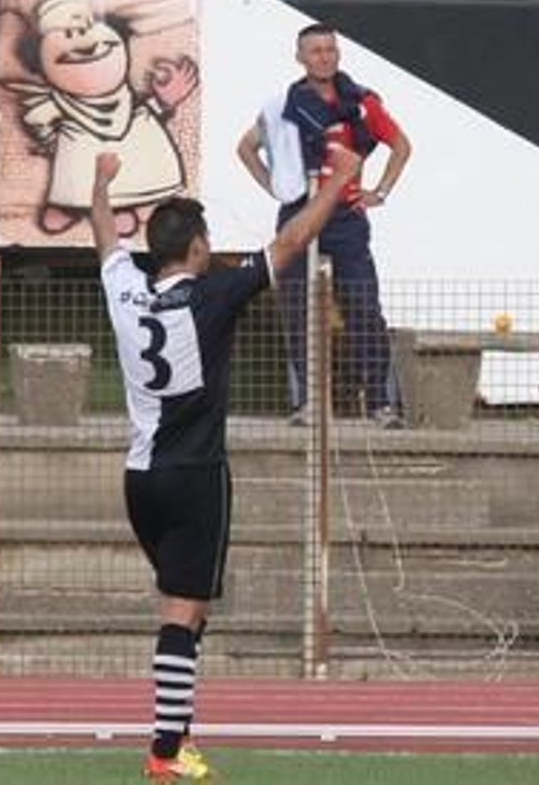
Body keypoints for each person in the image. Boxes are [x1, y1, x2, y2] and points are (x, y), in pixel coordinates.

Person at [91, 143, 359, 783]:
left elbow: (102, 235)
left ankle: (178, 734)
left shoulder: (126, 290)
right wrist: (340, 180)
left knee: (191, 610)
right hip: (195, 477)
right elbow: (292, 241)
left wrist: (101, 183)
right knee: (182, 612)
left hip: (141, 478)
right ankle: (165, 751)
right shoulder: (214, 296)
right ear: (197, 248)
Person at [237, 22, 412, 427]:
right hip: (299, 213)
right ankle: (307, 403)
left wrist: (380, 192)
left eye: (330, 49)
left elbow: (401, 146)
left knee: (363, 306)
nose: (324, 57)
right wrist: (274, 188)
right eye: (315, 51)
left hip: (346, 217)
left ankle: (381, 403)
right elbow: (246, 148)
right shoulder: (285, 107)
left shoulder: (361, 103)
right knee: (297, 309)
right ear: (300, 57)